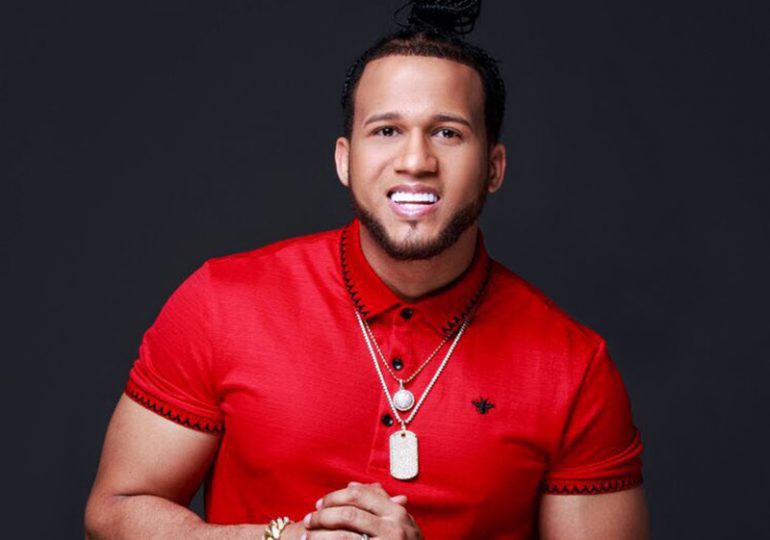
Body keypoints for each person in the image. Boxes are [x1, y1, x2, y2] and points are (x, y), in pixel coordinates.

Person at [85, 1, 650, 538]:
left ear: (494, 167)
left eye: (448, 132)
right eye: (386, 130)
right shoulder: (221, 302)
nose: (416, 161)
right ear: (344, 159)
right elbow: (113, 515)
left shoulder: (574, 370)